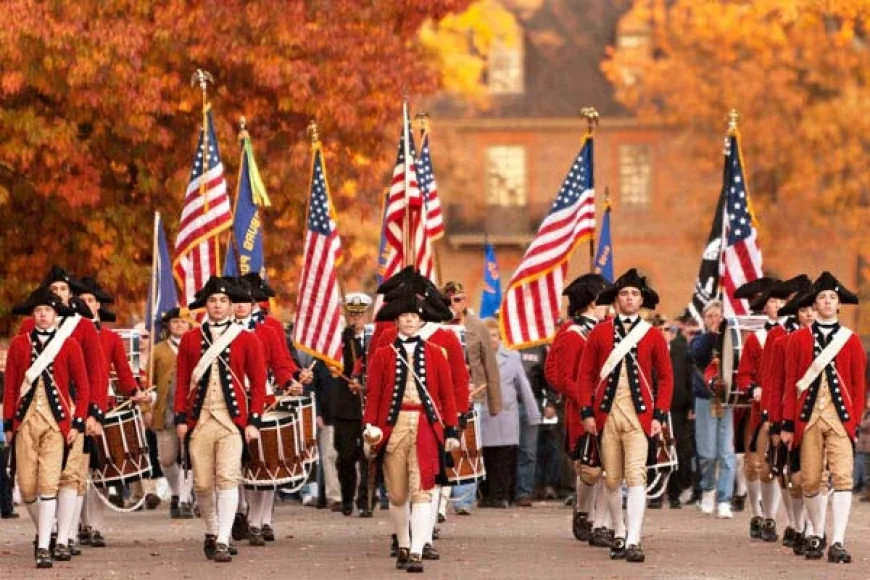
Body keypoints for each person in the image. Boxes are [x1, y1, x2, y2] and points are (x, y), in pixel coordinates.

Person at [577, 268, 673, 563]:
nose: (629, 299)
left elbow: (666, 377)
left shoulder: (653, 334)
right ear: (616, 299)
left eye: (634, 294)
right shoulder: (600, 332)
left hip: (639, 418)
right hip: (606, 418)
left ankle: (633, 539)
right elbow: (586, 375)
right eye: (624, 294)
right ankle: (619, 531)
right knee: (611, 479)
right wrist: (586, 412)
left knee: (636, 476)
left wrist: (659, 414)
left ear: (641, 300)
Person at [362, 285, 459, 573]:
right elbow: (375, 395)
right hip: (393, 428)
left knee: (423, 490)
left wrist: (451, 430)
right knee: (397, 494)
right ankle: (403, 544)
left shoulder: (436, 353)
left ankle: (417, 550)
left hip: (427, 427)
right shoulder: (382, 354)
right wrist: (371, 426)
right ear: (396, 321)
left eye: (413, 317)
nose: (409, 321)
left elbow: (446, 397)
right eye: (404, 317)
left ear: (421, 321)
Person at [18, 266, 109, 560]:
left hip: (73, 409)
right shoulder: (27, 330)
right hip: (36, 409)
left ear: (71, 295)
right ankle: (48, 529)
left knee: (71, 476)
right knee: (33, 483)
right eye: (53, 290)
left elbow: (95, 373)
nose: (58, 295)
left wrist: (93, 413)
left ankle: (65, 537)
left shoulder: (83, 326)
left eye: (63, 290)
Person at [174, 276, 267, 563]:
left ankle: (224, 540)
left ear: (231, 305)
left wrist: (254, 420)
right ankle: (213, 530)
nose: (217, 305)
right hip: (199, 420)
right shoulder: (191, 338)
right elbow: (181, 381)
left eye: (223, 301)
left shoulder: (246, 338)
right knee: (202, 484)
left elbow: (259, 382)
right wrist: (180, 417)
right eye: (213, 300)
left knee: (227, 478)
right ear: (206, 305)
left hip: (231, 421)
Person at [781, 272, 866, 563]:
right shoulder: (797, 341)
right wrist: (788, 424)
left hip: (840, 420)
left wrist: (853, 421)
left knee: (842, 479)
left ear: (838, 304)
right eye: (822, 298)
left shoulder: (851, 341)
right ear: (814, 304)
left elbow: (858, 385)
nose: (827, 302)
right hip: (807, 420)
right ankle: (817, 532)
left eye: (832, 297)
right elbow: (791, 384)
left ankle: (839, 540)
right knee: (810, 480)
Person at [4, 287, 91, 568]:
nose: (43, 316)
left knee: (49, 483)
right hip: (25, 421)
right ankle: (48, 530)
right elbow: (11, 387)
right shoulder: (19, 344)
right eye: (39, 311)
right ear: (33, 314)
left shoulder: (69, 344)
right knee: (27, 488)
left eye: (48, 311)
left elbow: (83, 387)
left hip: (56, 424)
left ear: (56, 315)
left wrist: (78, 422)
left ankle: (44, 547)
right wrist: (8, 423)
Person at [75, 277, 151, 549]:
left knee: (100, 472)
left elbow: (122, 370)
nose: (86, 305)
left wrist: (134, 392)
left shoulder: (109, 337)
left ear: (98, 306)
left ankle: (94, 526)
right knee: (74, 472)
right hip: (71, 408)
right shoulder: (65, 334)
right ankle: (74, 527)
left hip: (101, 405)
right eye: (81, 301)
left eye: (90, 301)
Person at [543, 273, 609, 540]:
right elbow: (560, 376)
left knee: (608, 467)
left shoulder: (606, 329)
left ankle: (601, 522)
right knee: (590, 467)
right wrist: (586, 398)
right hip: (583, 409)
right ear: (593, 303)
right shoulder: (573, 334)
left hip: (607, 406)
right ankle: (585, 513)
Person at [734, 277, 791, 541]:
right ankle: (757, 512)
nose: (777, 306)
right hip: (760, 411)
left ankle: (771, 517)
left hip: (787, 408)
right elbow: (743, 374)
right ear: (764, 307)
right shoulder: (755, 339)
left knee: (778, 468)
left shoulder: (793, 335)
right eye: (772, 302)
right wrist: (752, 389)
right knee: (755, 466)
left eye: (781, 301)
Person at [441, 281, 500, 516]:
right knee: (448, 443)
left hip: (473, 392)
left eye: (462, 299)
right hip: (445, 395)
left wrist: (495, 401)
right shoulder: (438, 326)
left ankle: (464, 499)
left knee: (470, 445)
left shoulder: (477, 326)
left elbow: (490, 364)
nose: (459, 304)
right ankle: (443, 497)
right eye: (454, 299)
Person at [766, 289, 816, 556]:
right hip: (791, 417)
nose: (809, 313)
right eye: (804, 309)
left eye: (813, 308)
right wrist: (776, 423)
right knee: (792, 477)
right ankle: (797, 524)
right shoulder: (783, 342)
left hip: (820, 418)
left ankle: (812, 528)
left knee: (815, 478)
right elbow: (777, 385)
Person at [479, 318, 541, 508]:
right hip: (483, 413)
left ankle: (502, 496)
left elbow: (523, 386)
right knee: (486, 458)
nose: (492, 340)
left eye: (495, 336)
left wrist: (533, 413)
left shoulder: (512, 357)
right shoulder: (474, 357)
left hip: (506, 415)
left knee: (505, 458)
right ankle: (487, 495)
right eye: (488, 337)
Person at [688, 300, 736, 519]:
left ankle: (724, 498)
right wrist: (712, 335)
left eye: (718, 315)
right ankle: (708, 489)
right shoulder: (699, 339)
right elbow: (697, 355)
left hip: (726, 400)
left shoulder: (731, 340)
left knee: (726, 453)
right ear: (704, 319)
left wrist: (725, 335)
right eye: (710, 316)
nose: (714, 319)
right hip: (705, 399)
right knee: (707, 453)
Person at [151, 307, 195, 519]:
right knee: (167, 459)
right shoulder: (157, 350)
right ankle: (177, 492)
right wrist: (145, 410)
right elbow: (147, 384)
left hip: (191, 412)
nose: (179, 325)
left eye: (183, 322)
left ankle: (185, 499)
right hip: (165, 412)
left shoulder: (198, 348)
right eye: (175, 321)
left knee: (190, 459)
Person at [334, 293, 373, 517]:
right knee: (346, 456)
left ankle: (366, 499)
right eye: (352, 314)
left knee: (369, 454)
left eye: (360, 314)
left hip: (369, 403)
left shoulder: (374, 340)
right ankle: (347, 497)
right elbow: (334, 367)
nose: (356, 319)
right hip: (346, 407)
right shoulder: (338, 340)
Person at [664, 316, 695, 510]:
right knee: (655, 450)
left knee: (676, 451)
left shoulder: (681, 351)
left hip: (678, 409)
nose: (667, 334)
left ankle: (674, 493)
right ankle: (656, 494)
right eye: (664, 329)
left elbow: (689, 378)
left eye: (670, 330)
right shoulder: (648, 350)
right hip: (655, 410)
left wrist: (691, 405)